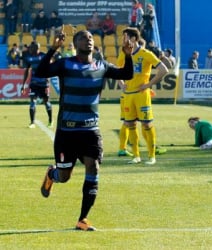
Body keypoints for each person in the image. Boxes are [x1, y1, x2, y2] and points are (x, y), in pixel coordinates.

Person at [35, 30, 134, 231]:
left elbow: (127, 74)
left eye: (90, 38)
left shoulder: (102, 65)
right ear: (75, 43)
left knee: (93, 167)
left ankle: (83, 219)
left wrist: (128, 54)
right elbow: (41, 71)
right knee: (64, 177)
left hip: (91, 131)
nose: (88, 40)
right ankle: (52, 174)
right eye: (83, 38)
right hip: (66, 132)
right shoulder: (65, 64)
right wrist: (53, 49)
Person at [116, 27, 168, 165]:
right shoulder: (123, 53)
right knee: (129, 124)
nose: (123, 40)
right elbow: (116, 70)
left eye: (125, 37)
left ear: (133, 39)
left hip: (141, 95)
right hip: (128, 96)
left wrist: (148, 84)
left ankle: (152, 157)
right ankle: (136, 156)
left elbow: (163, 69)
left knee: (146, 124)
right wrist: (121, 84)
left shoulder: (146, 53)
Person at [21, 42, 52, 128]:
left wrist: (48, 82)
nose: (30, 49)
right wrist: (23, 84)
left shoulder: (44, 56)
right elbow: (27, 71)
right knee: (32, 102)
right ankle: (32, 123)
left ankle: (50, 121)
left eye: (31, 48)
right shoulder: (29, 57)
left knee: (46, 102)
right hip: (34, 83)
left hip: (44, 84)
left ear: (36, 48)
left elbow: (49, 69)